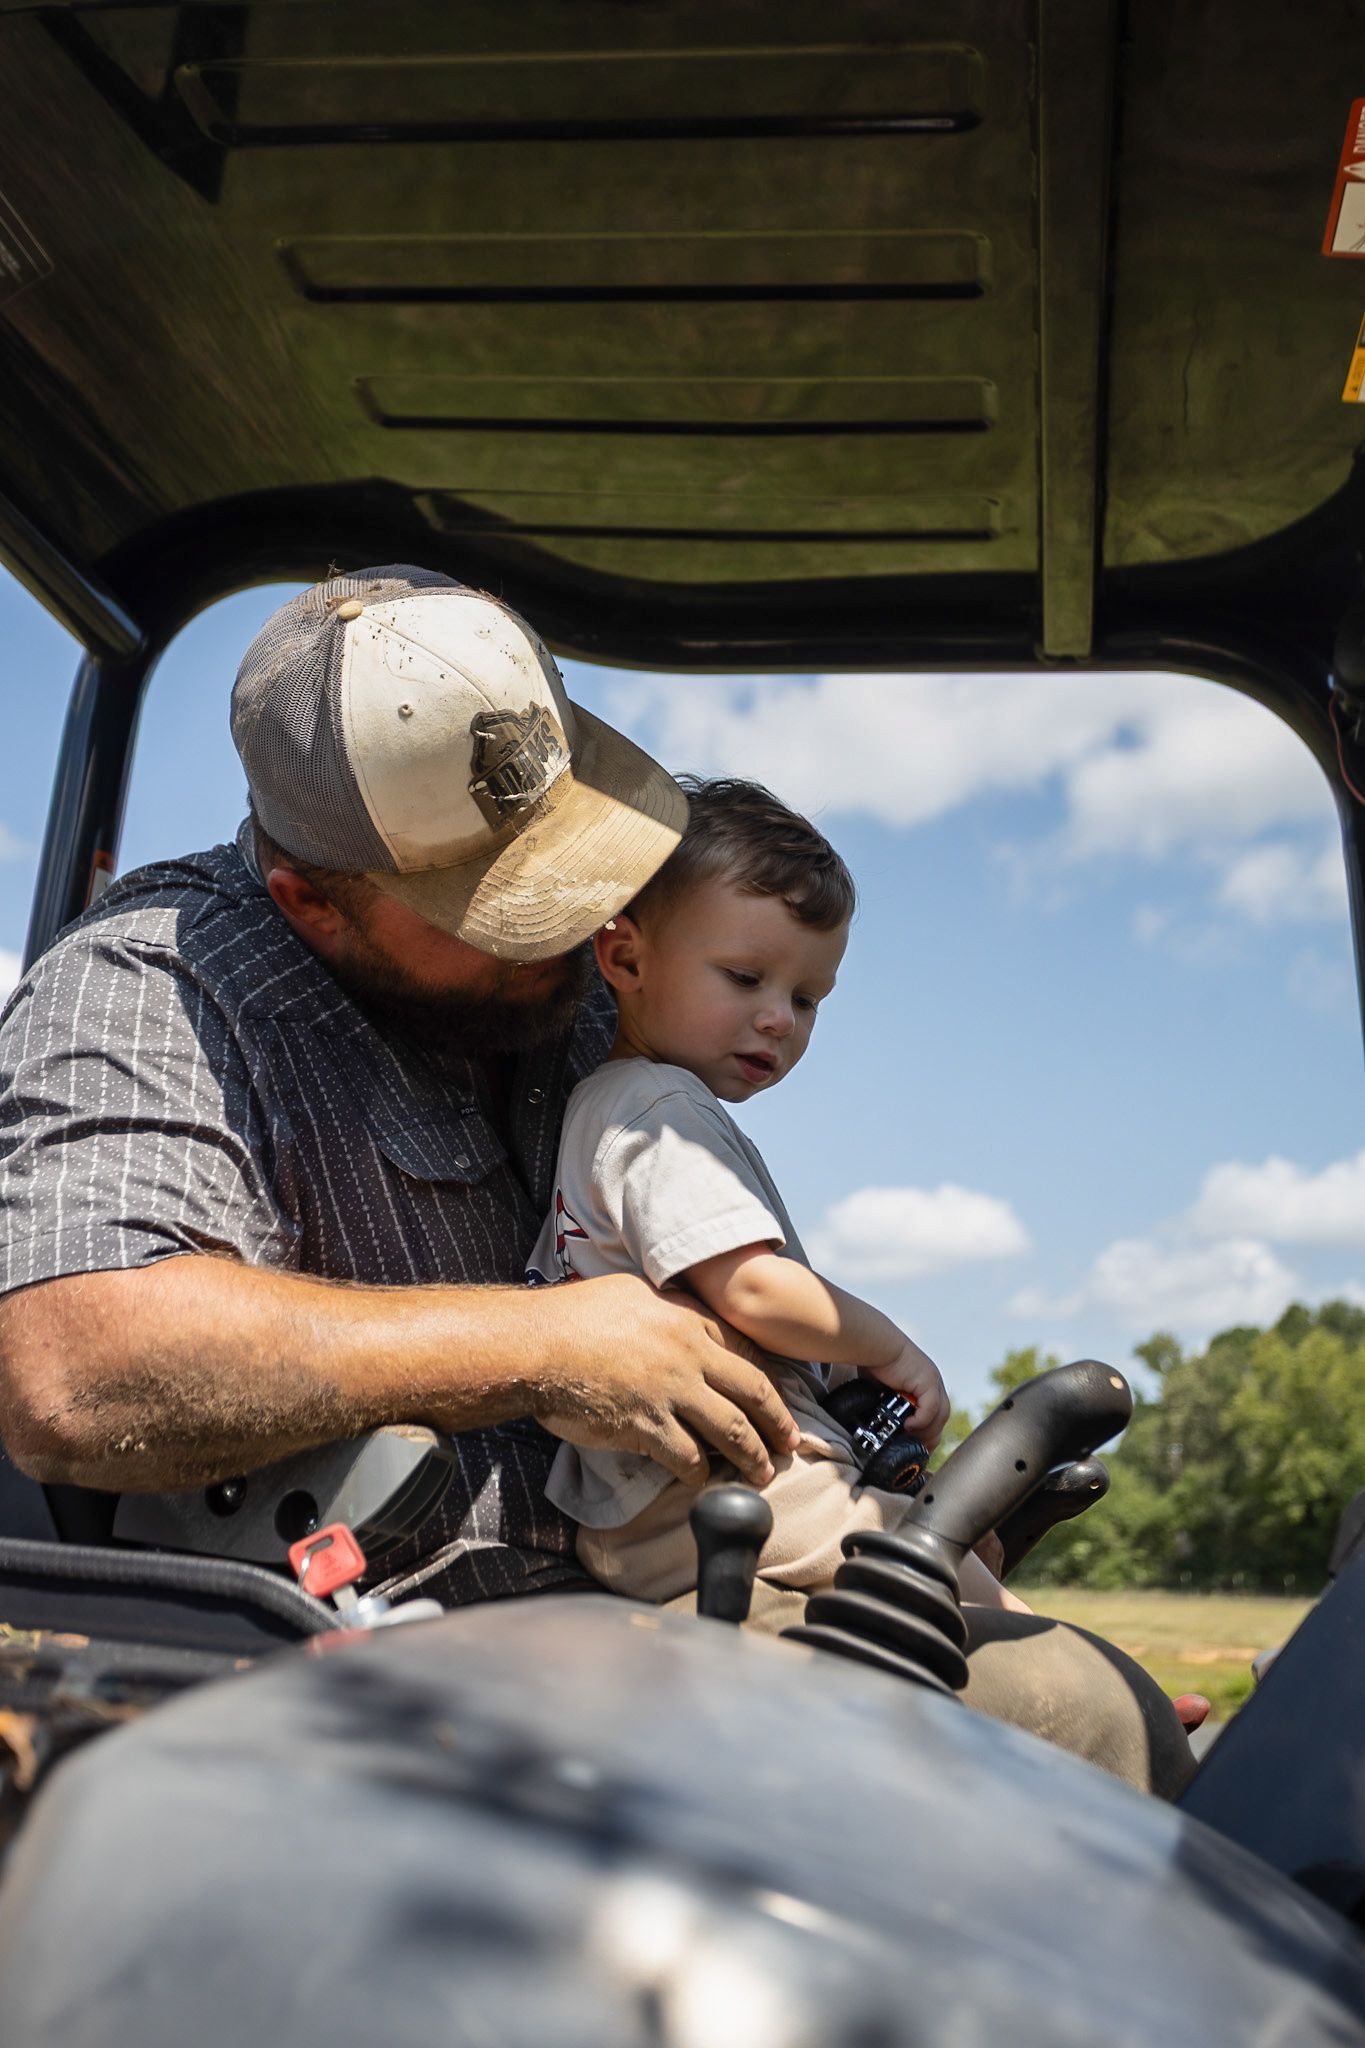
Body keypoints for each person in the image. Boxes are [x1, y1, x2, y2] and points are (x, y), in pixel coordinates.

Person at [0, 565, 1192, 1793]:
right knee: (1081, 1725)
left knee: (1107, 1713)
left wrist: (855, 1486)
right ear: (314, 899)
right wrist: (549, 1343)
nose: (579, 924)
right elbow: (73, 1366)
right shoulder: (149, 991)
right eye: (504, 906)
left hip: (646, 1595)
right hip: (376, 1677)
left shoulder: (575, 990)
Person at [528, 776, 1028, 1625]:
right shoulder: (659, 1112)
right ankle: (1088, 1693)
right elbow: (756, 1291)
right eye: (744, 977)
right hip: (716, 1481)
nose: (778, 1021)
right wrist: (892, 1350)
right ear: (625, 958)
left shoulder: (612, 1105)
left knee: (949, 1534)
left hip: (651, 1503)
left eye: (805, 1000)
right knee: (928, 1567)